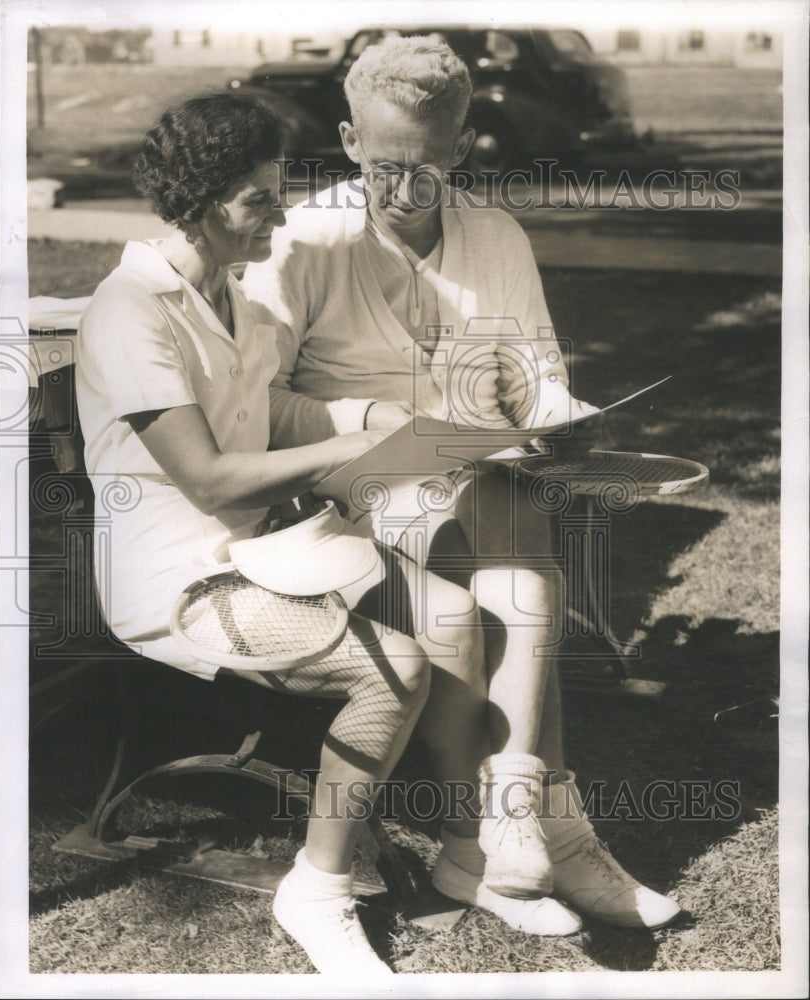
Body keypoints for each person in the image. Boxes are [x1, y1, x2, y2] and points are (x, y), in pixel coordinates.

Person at [75, 92, 573, 977]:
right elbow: (206, 475)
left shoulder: (225, 295)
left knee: (453, 618)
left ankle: (472, 857)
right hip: (180, 581)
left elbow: (265, 404)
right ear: (198, 200)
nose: (280, 214)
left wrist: (372, 413)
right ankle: (318, 885)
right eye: (258, 200)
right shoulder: (131, 308)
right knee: (396, 670)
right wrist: (351, 445)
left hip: (270, 549)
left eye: (278, 191)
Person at [242, 35, 681, 930]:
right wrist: (376, 426)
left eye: (427, 169)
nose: (404, 191)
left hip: (469, 479)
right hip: (334, 489)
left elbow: (537, 377)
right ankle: (539, 835)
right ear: (350, 138)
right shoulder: (302, 241)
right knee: (500, 525)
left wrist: (558, 417)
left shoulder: (497, 236)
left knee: (507, 505)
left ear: (463, 148)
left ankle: (507, 829)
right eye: (385, 166)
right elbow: (257, 406)